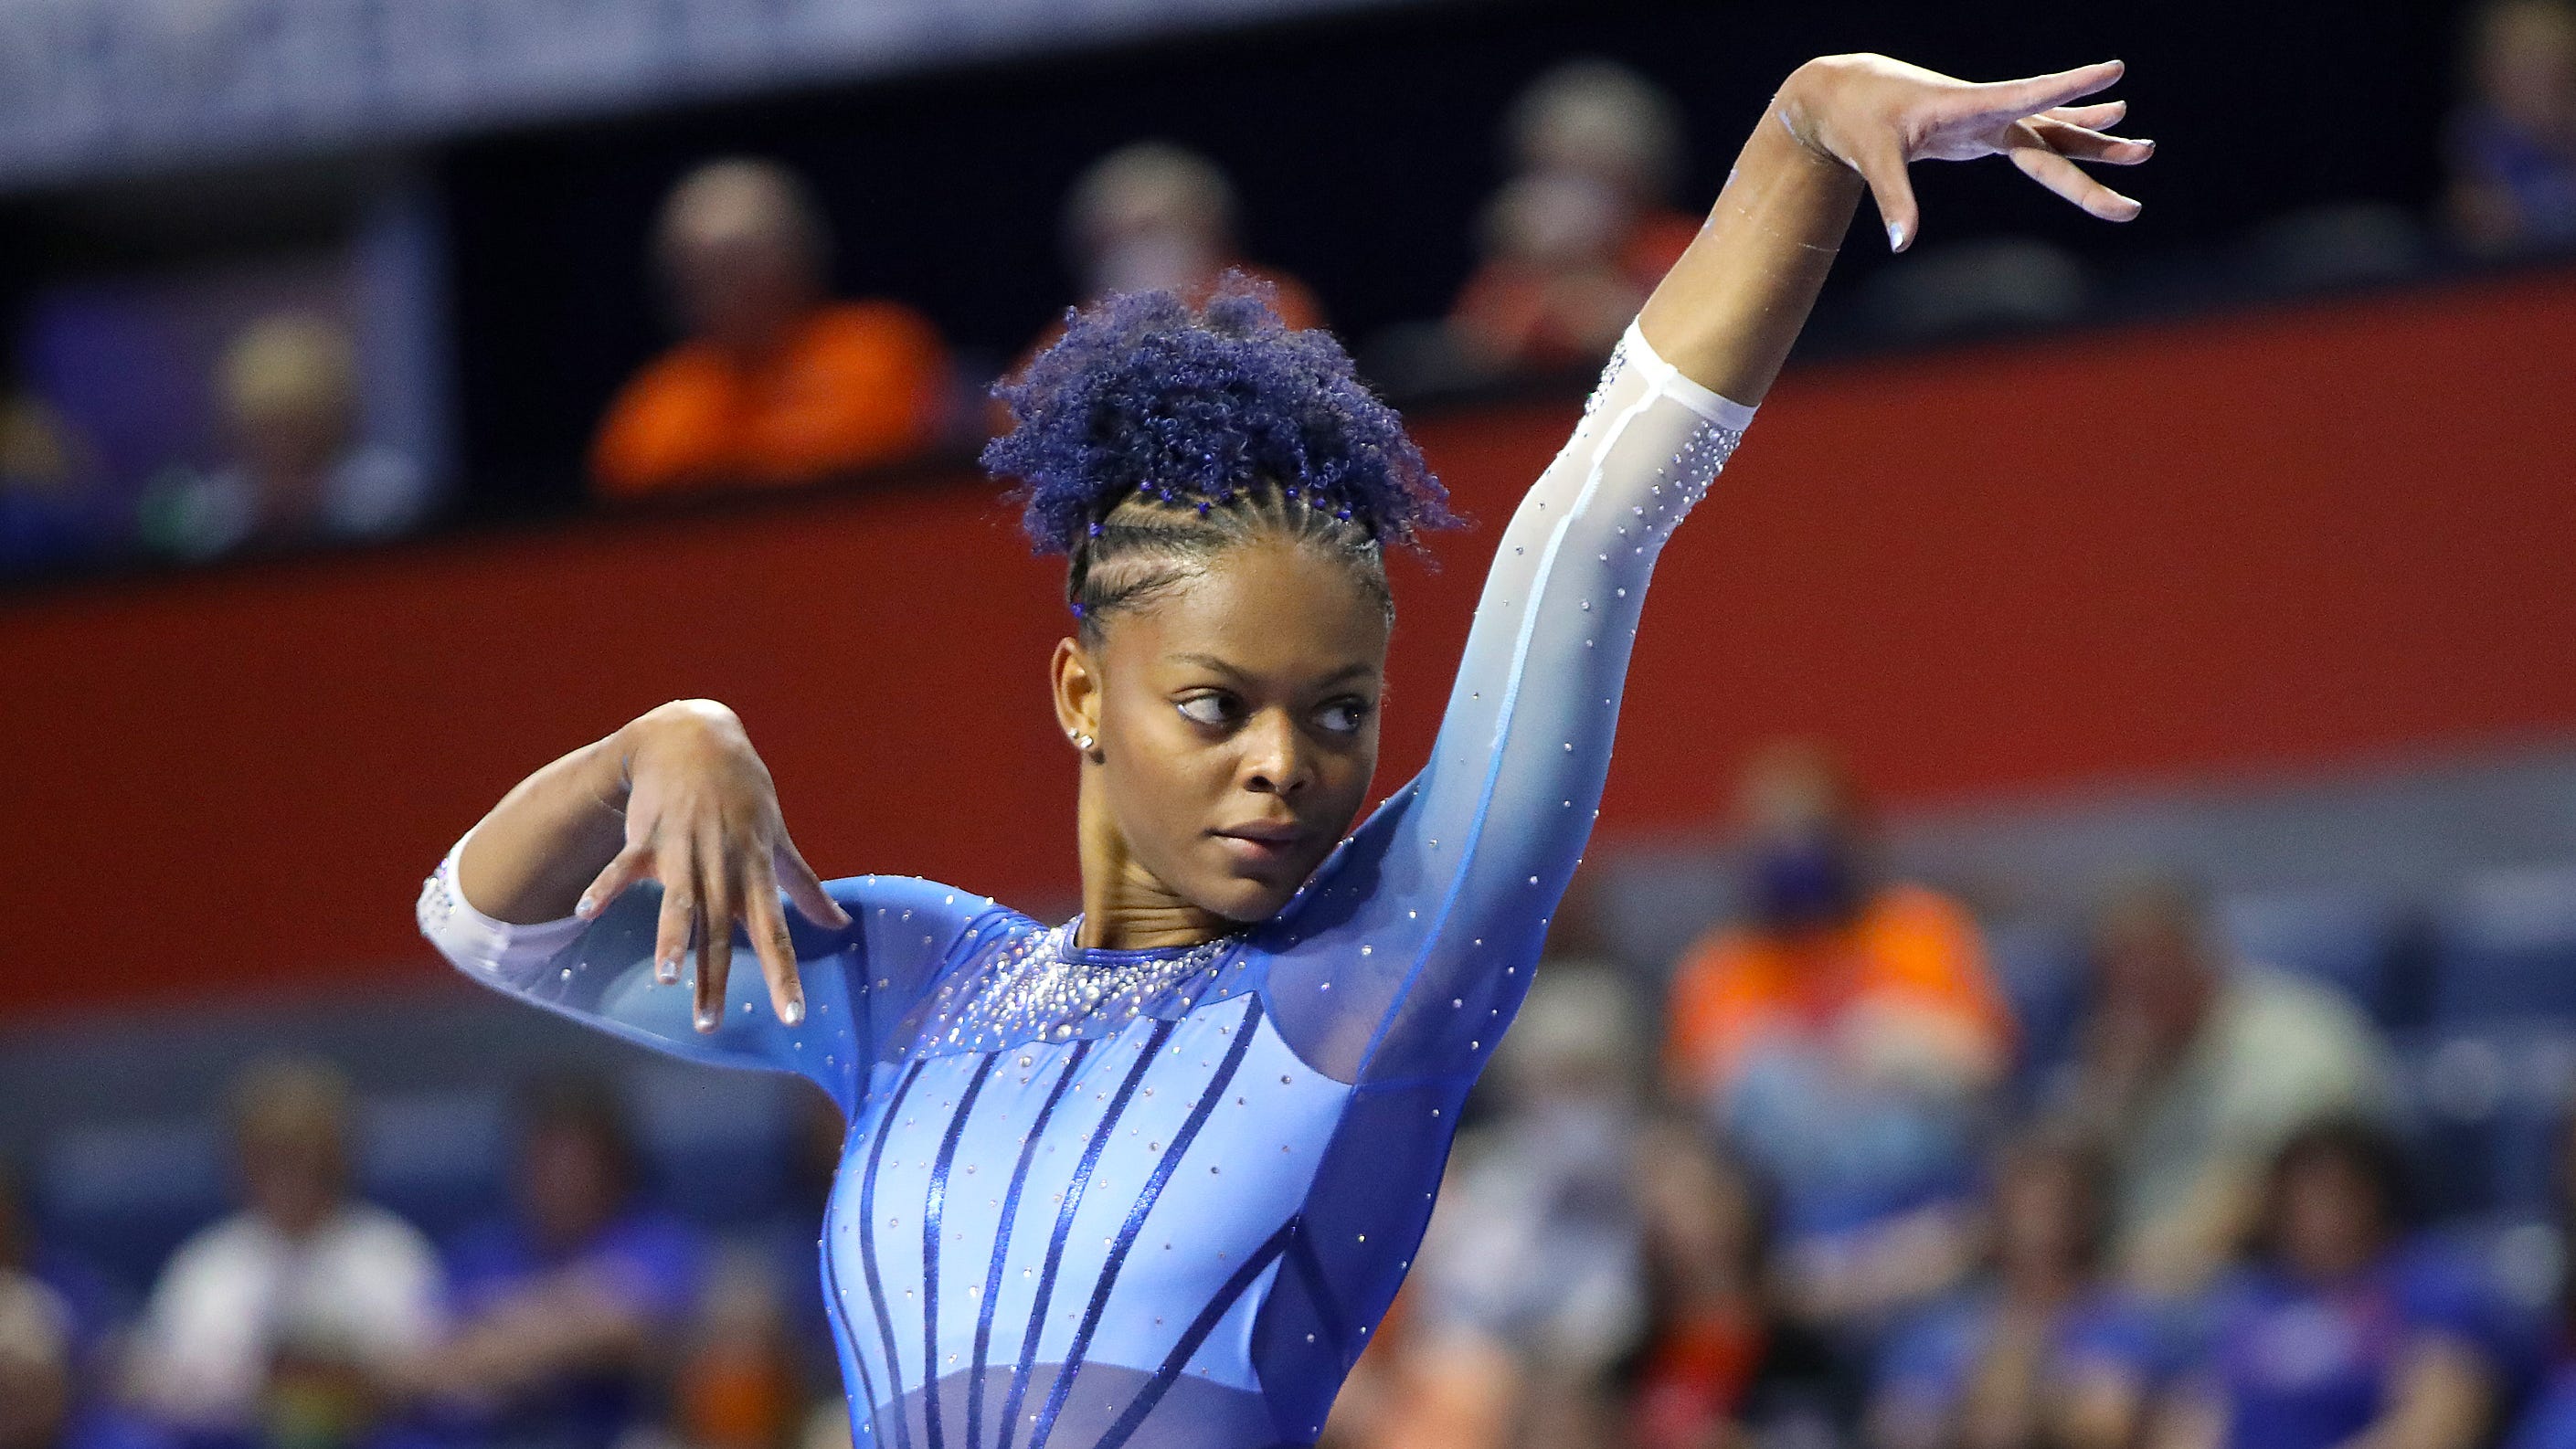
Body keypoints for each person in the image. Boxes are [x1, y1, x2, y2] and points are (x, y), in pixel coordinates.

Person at [418, 48, 2150, 1449]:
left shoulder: (1378, 966)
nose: (1284, 766)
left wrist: (1802, 135)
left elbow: (1589, 520)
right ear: (1081, 698)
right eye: (1214, 705)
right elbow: (483, 922)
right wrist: (668, 742)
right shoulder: (913, 981)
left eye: (1338, 715)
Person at [1663, 740, 2014, 1331]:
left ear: (1852, 834)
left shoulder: (1918, 928)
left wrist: (1888, 1034)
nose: (1792, 854)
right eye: (1771, 839)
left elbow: (1985, 1062)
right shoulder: (1718, 968)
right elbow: (1698, 1107)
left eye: (1808, 833)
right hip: (1796, 1226)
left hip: (1928, 1200)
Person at [2056, 875, 2397, 1297]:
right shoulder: (2121, 1060)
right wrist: (2104, 1100)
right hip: (2135, 1291)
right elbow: (2054, 1198)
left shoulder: (2294, 1038)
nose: (2132, 988)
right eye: (2114, 972)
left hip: (2266, 1286)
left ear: (2200, 953)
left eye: (2148, 962)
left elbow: (2285, 1193)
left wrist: (2125, 1283)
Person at [122, 1057, 444, 1449]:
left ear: (340, 1156)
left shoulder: (391, 1254)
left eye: (306, 1153)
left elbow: (435, 1376)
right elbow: (152, 1386)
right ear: (240, 1163)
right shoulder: (207, 1266)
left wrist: (345, 1380)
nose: (290, 1174)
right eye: (271, 1155)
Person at [590, 159, 955, 499]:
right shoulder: (655, 406)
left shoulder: (881, 351)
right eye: (698, 271)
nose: (721, 289)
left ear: (800, 257)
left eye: (738, 264)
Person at [2151, 1119, 2507, 1449]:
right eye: (2299, 1196)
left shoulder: (2430, 1285)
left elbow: (2435, 1428)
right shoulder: (2248, 1300)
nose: (2316, 1214)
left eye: (2334, 1193)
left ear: (2376, 1197)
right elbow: (2192, 1422)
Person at [413, 1075, 705, 1449]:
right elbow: (424, 1365)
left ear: (614, 1167)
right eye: (546, 1159)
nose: (562, 1177)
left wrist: (501, 1330)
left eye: (578, 1161)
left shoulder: (655, 1239)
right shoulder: (482, 1251)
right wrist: (564, 1321)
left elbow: (629, 1325)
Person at [1866, 1128, 2158, 1449]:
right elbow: (1898, 1428)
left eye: (2051, 1207)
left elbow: (2105, 1427)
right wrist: (1981, 1406)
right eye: (2022, 1206)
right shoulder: (1941, 1326)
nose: (2036, 1226)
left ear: (2082, 1216)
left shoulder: (2114, 1319)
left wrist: (2020, 1396)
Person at [1448, 60, 1705, 376]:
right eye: (1559, 163)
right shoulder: (1515, 270)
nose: (1575, 185)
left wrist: (1588, 283)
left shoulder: (1689, 248)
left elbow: (1681, 345)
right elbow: (1482, 358)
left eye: (1595, 161)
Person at [133, 314, 429, 561]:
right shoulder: (211, 507)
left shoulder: (386, 485)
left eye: (296, 423)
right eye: (264, 426)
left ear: (331, 422)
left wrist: (315, 505)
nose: (280, 442)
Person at [1061, 143, 1323, 329]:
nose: (1136, 251)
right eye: (1113, 237)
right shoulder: (1070, 337)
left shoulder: (1269, 301)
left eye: (1150, 229)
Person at [2444, 0, 2576, 257]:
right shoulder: (2478, 141)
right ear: (2487, 73)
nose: (2550, 81)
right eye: (2531, 63)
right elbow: (2479, 219)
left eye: (2560, 62)